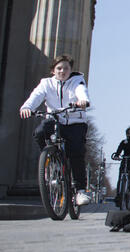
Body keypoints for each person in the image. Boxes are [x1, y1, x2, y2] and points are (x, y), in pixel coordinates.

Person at [18, 54, 92, 206]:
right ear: (53, 70)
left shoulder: (77, 81)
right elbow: (36, 96)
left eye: (66, 68)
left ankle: (80, 191)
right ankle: (51, 160)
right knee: (40, 132)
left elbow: (81, 91)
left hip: (74, 121)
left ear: (71, 70)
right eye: (59, 68)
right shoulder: (46, 83)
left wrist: (83, 101)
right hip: (54, 118)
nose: (62, 71)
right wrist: (27, 107)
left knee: (76, 152)